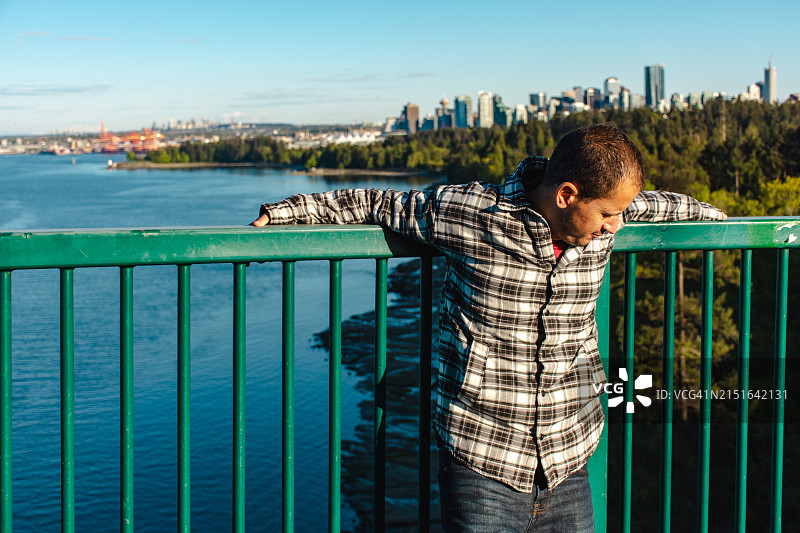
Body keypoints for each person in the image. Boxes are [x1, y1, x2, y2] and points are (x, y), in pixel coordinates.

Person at [251, 123, 726, 532]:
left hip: (569, 456)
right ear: (565, 195)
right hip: (482, 460)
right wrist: (284, 213)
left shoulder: (602, 217)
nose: (615, 227)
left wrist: (721, 218)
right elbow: (376, 202)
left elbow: (662, 206)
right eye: (607, 214)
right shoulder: (475, 214)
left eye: (620, 213)